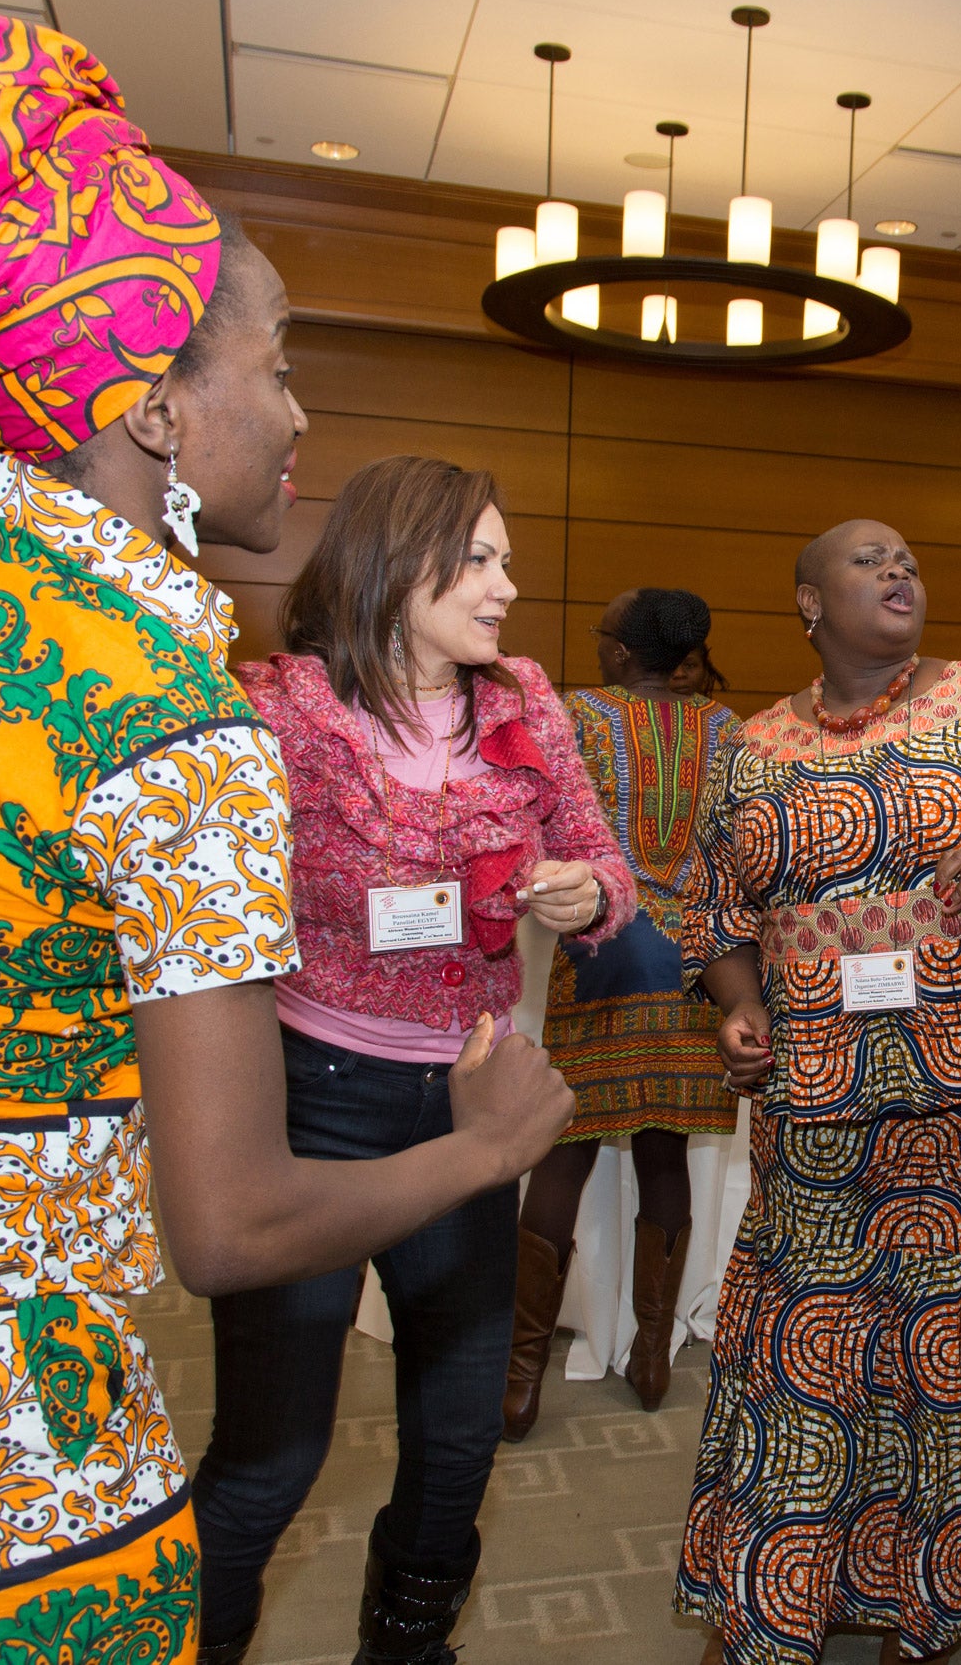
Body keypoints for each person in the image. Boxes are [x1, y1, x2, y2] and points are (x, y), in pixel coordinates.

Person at [0, 0, 571, 1665]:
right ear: (158, 409)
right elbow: (232, 1227)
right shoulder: (180, 717)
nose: (298, 415)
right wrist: (489, 1148)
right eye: (274, 363)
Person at [191, 455, 636, 1665]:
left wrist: (586, 887)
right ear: (399, 561)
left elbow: (605, 860)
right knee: (271, 1455)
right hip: (313, 1098)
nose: (506, 586)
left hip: (471, 1102)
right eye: (480, 559)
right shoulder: (273, 706)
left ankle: (406, 1650)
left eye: (505, 559)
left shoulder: (527, 699)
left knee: (454, 1446)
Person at [676, 518, 961, 1665]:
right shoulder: (754, 744)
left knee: (945, 1324)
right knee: (805, 1326)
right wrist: (741, 1006)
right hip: (818, 1078)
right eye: (869, 559)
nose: (899, 572)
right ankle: (786, 1588)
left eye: (911, 560)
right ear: (807, 600)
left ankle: (928, 1597)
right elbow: (715, 910)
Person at [504, 587, 739, 1437]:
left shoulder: (573, 715)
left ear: (616, 650)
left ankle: (520, 1375)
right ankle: (649, 1358)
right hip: (694, 971)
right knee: (664, 1151)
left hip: (600, 950)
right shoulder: (729, 730)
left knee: (562, 1153)